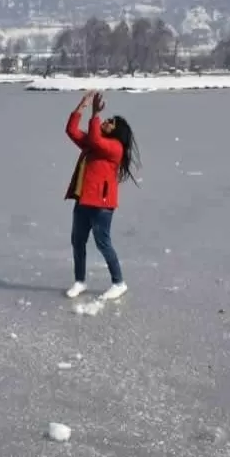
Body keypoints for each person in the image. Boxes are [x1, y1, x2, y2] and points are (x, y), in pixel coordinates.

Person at [62, 90, 140, 301]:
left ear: (117, 132)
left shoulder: (115, 148)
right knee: (77, 241)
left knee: (102, 242)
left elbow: (96, 139)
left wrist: (95, 113)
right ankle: (80, 281)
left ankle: (119, 282)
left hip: (102, 205)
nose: (106, 121)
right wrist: (82, 106)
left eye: (110, 122)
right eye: (106, 120)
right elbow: (71, 130)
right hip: (84, 200)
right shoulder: (94, 143)